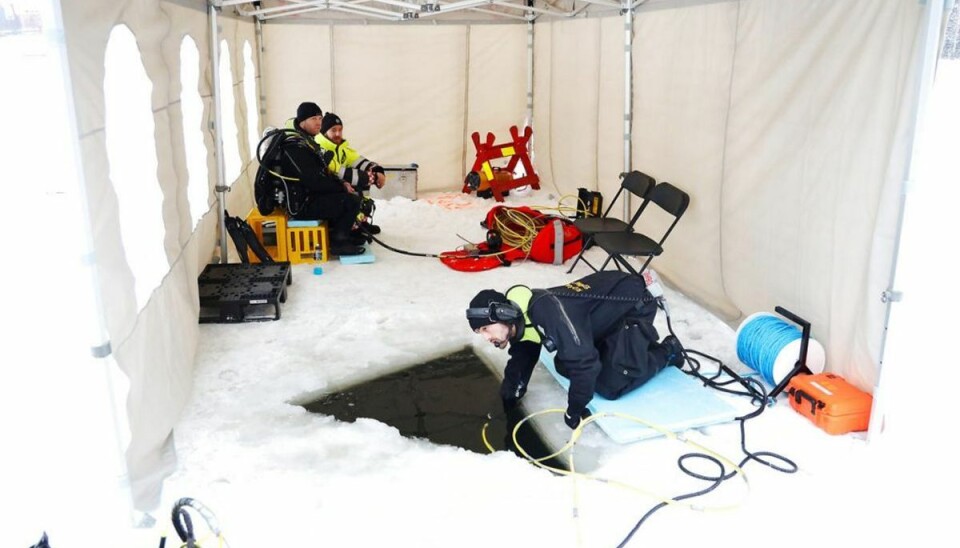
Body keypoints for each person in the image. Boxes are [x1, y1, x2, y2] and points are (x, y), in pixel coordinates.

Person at [466, 271, 685, 429]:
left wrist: (575, 410)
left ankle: (668, 351)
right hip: (602, 314)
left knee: (610, 386)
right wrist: (510, 395)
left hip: (633, 307)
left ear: (504, 313)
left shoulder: (547, 313)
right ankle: (630, 349)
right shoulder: (520, 318)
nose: (487, 337)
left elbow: (586, 367)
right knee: (564, 364)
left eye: (486, 328)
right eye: (480, 332)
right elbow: (522, 356)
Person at [275, 102, 365, 256]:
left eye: (320, 118)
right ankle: (339, 242)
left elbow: (320, 173)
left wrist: (341, 183)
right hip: (301, 205)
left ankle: (344, 235)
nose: (318, 122)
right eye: (313, 118)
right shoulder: (294, 146)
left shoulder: (306, 141)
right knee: (350, 201)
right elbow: (314, 180)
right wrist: (341, 187)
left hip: (308, 196)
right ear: (302, 121)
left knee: (349, 195)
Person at [314, 112, 385, 235]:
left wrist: (378, 171)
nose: (338, 134)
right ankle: (345, 231)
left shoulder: (342, 148)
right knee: (357, 182)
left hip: (337, 189)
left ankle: (360, 222)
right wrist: (369, 178)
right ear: (324, 131)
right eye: (333, 130)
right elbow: (339, 172)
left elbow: (362, 162)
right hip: (324, 195)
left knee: (362, 181)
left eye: (340, 130)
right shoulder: (320, 148)